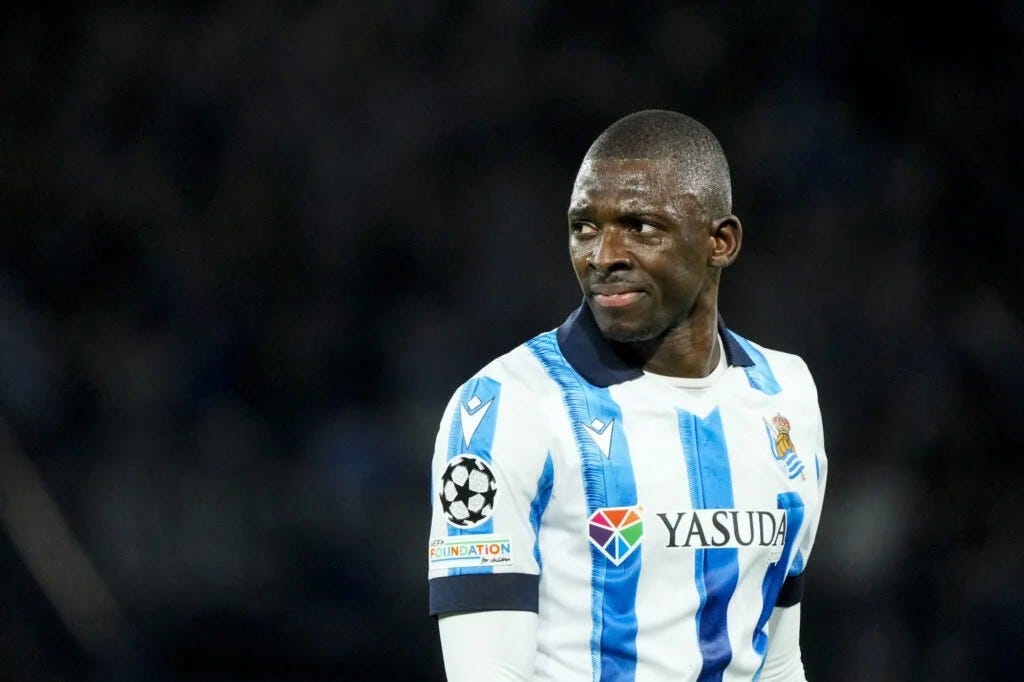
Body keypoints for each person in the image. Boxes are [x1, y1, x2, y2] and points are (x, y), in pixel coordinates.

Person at [427, 110, 828, 681]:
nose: (603, 255)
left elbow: (779, 661)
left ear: (720, 242)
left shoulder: (786, 396)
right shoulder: (503, 409)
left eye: (639, 226)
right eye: (584, 227)